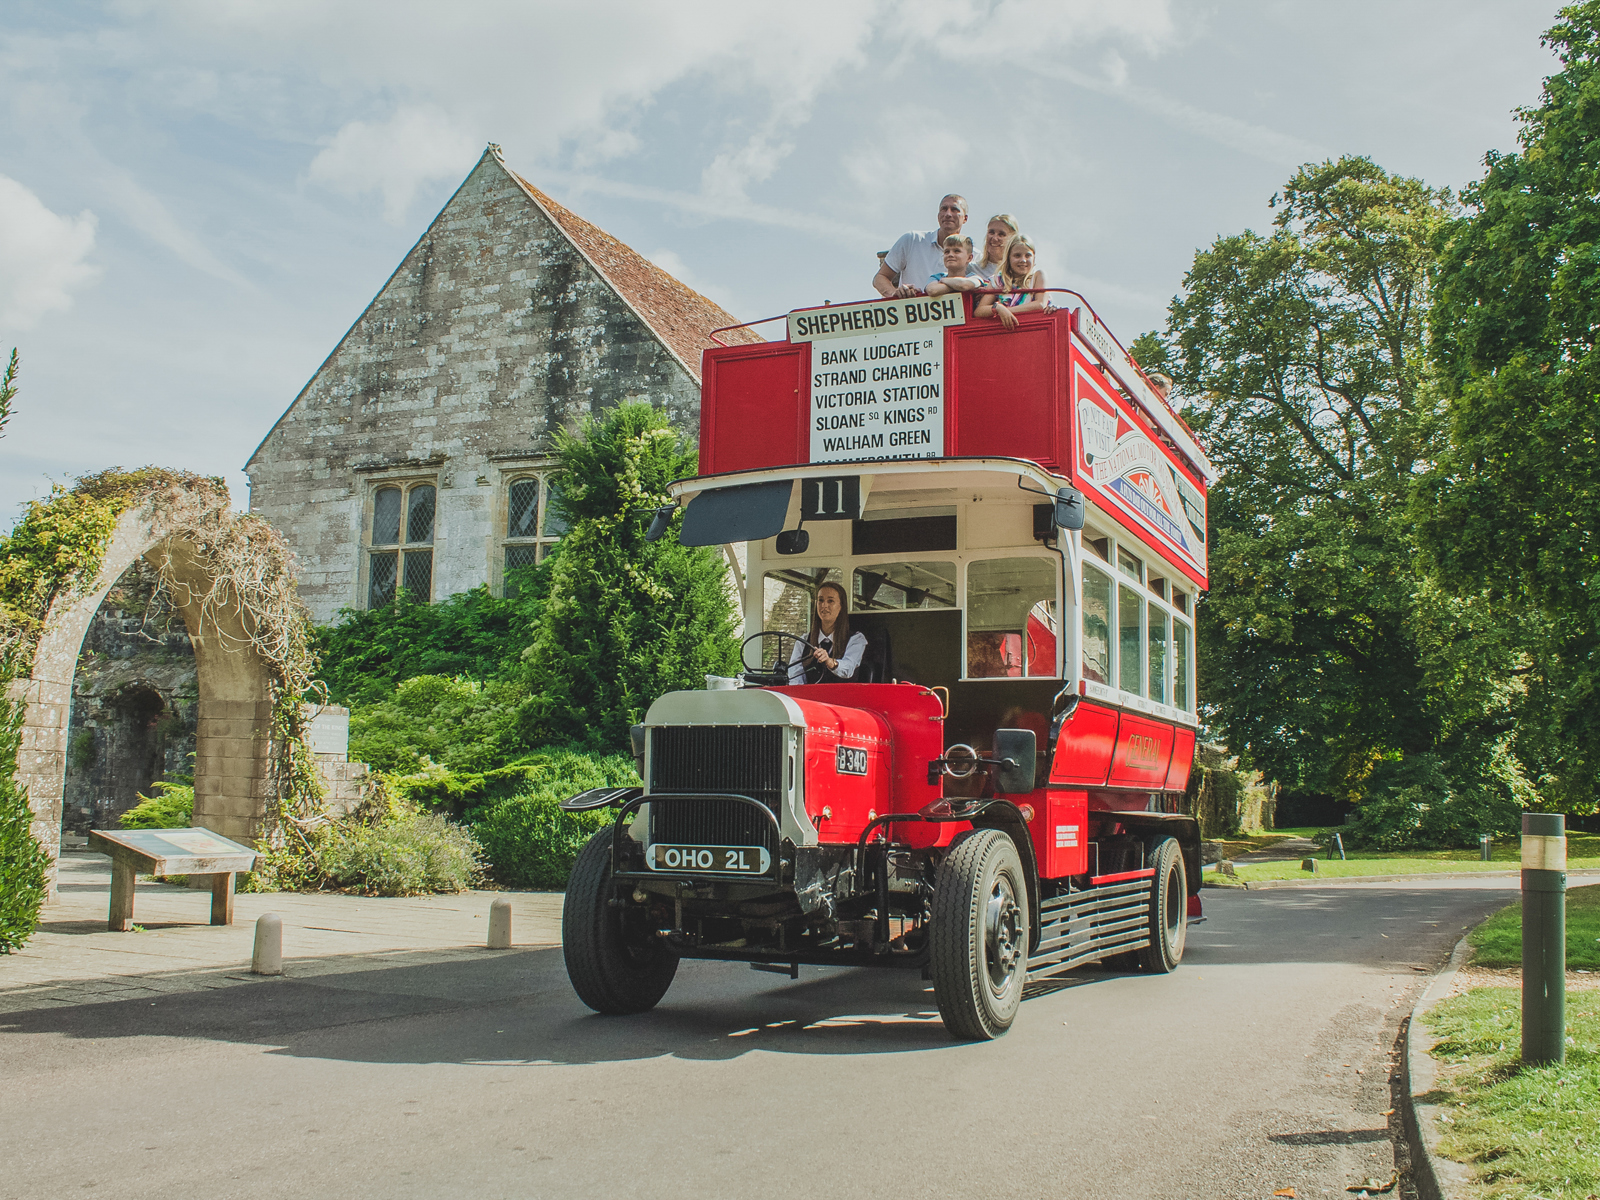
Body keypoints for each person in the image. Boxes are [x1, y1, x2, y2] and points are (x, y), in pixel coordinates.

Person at [873, 195, 968, 299]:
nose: (948, 214)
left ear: (965, 218)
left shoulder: (974, 256)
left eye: (954, 210)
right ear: (938, 216)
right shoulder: (912, 240)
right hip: (909, 313)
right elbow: (880, 277)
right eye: (943, 209)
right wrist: (894, 295)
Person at [788, 582, 867, 683]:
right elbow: (794, 676)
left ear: (841, 606)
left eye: (830, 601)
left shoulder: (856, 639)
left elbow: (849, 668)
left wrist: (830, 662)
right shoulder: (802, 641)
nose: (824, 605)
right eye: (820, 600)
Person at [974, 232, 1049, 331]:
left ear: (1034, 258)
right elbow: (979, 311)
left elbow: (1040, 304)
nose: (1023, 260)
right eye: (1017, 256)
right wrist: (998, 308)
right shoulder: (999, 279)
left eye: (1028, 255)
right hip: (1004, 331)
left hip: (1032, 330)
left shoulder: (1037, 276)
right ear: (1008, 258)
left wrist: (1007, 311)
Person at [972, 213, 1019, 283]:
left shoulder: (1019, 272)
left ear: (1012, 239)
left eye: (1001, 234)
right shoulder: (971, 268)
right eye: (991, 232)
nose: (994, 238)